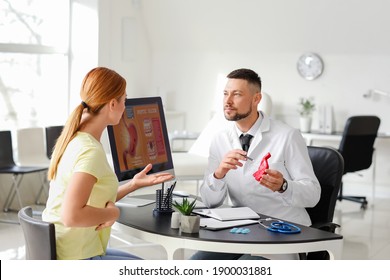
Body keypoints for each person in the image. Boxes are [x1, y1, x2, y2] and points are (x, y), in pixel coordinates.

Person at [42, 67, 174, 260]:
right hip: (77, 256)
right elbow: (71, 215)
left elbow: (93, 198)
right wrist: (113, 213)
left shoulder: (74, 139)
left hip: (67, 249)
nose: (125, 106)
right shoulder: (90, 151)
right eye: (124, 100)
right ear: (113, 104)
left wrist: (133, 184)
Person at [191, 68, 321, 260]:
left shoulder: (287, 136)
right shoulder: (220, 140)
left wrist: (284, 186)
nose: (227, 101)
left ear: (256, 99)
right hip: (241, 231)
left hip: (284, 233)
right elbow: (210, 202)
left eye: (237, 94)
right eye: (226, 93)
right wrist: (219, 174)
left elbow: (313, 195)